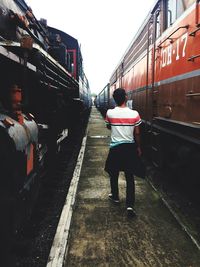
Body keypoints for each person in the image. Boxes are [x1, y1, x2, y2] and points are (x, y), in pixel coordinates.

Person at [104, 88, 145, 217]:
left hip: (115, 148)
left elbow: (108, 126)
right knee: (129, 176)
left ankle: (115, 197)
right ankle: (129, 205)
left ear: (114, 99)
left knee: (113, 172)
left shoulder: (110, 113)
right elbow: (137, 133)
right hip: (129, 148)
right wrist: (138, 147)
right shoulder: (135, 114)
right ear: (126, 98)